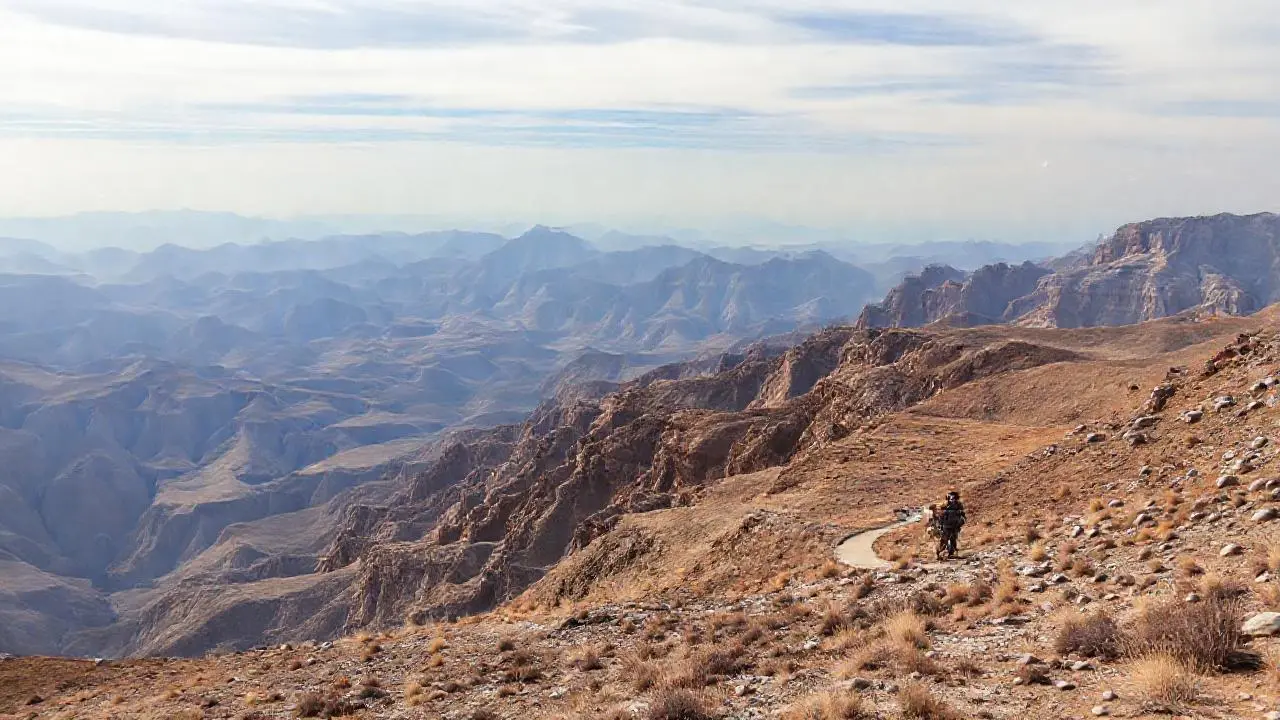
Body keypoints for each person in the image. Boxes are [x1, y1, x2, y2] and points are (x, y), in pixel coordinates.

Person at [940, 491, 966, 558]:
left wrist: (961, 522)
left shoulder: (959, 504)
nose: (952, 499)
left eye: (953, 498)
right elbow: (941, 514)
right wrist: (941, 524)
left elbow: (963, 515)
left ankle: (952, 552)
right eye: (951, 498)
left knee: (953, 539)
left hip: (955, 525)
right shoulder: (945, 504)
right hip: (946, 525)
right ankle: (940, 552)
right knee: (944, 539)